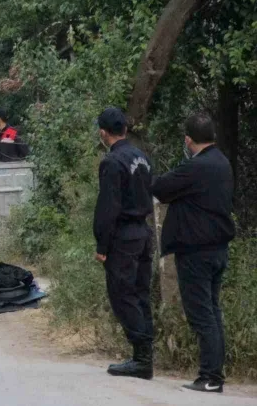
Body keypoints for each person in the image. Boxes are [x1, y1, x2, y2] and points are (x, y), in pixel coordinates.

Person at [151, 113, 235, 393]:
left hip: (197, 253)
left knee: (202, 315)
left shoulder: (195, 168)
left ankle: (211, 377)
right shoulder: (222, 163)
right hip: (218, 250)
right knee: (212, 311)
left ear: (188, 140)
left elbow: (160, 188)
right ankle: (214, 374)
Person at [93, 107, 155, 380]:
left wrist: (102, 246)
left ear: (103, 133)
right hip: (143, 232)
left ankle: (142, 358)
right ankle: (146, 352)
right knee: (140, 292)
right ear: (126, 130)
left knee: (122, 294)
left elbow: (108, 207)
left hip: (123, 237)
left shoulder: (112, 162)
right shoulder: (141, 157)